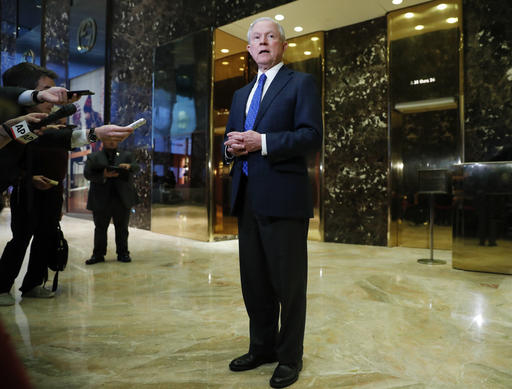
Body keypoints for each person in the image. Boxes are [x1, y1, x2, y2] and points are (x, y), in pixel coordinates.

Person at [223, 17, 322, 388]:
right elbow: (232, 140)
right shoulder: (240, 94)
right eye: (256, 38)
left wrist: (260, 142)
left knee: (288, 284)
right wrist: (230, 148)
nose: (263, 42)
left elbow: (311, 136)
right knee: (255, 283)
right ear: (249, 50)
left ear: (282, 45)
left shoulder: (300, 84)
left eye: (270, 36)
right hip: (246, 199)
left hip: (284, 199)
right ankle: (261, 346)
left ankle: (289, 357)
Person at [0, 63, 135, 307]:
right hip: (27, 192)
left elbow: (60, 137)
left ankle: (32, 284)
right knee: (21, 239)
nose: (55, 96)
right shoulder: (13, 115)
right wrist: (26, 178)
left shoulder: (37, 124)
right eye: (47, 91)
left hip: (51, 190)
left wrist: (97, 133)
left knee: (45, 236)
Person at [84, 138, 139, 265]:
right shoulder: (94, 157)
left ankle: (123, 253)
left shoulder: (127, 155)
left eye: (115, 140)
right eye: (109, 140)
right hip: (101, 199)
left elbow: (136, 167)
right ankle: (98, 255)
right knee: (100, 229)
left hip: (122, 198)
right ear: (103, 141)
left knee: (122, 229)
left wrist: (129, 166)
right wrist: (103, 176)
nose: (112, 142)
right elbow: (87, 174)